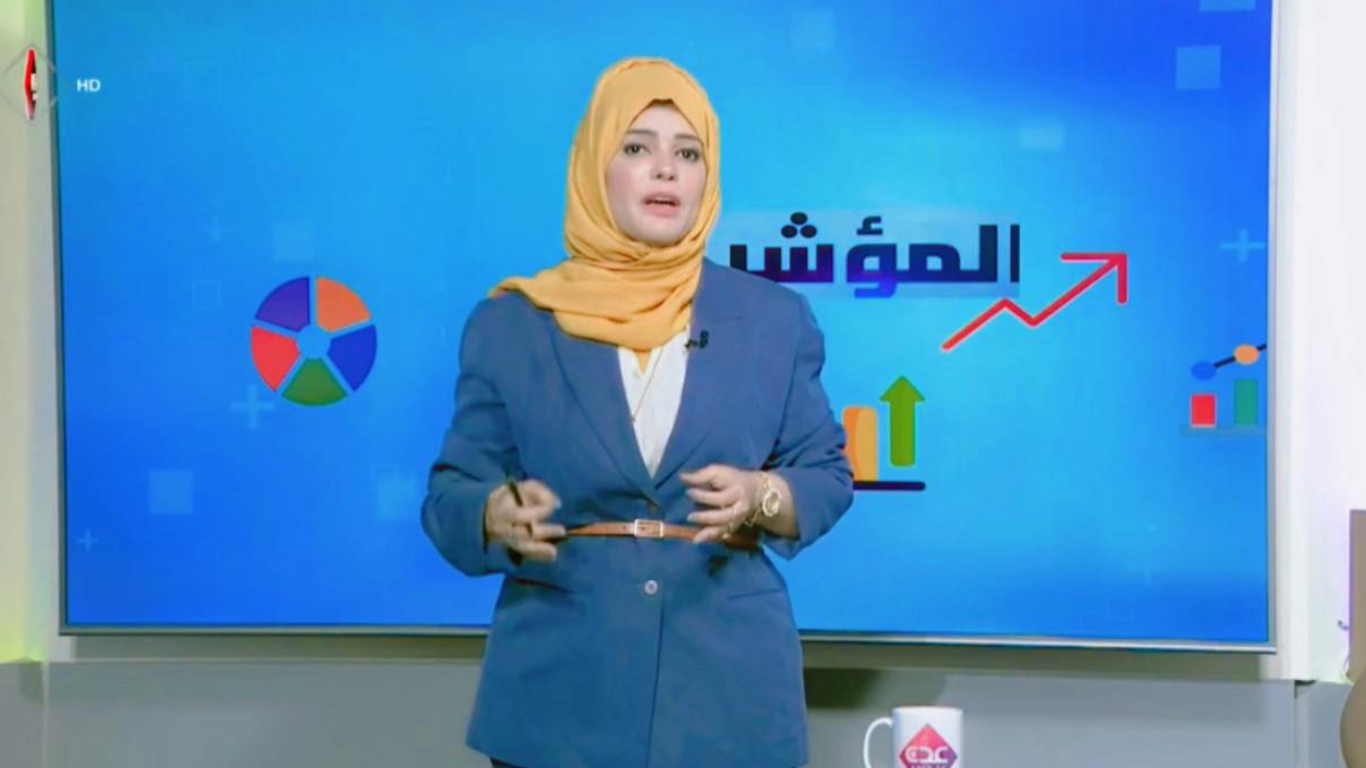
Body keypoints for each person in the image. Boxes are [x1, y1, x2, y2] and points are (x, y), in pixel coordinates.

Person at [421, 56, 854, 768]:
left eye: (688, 154)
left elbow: (827, 474)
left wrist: (761, 495)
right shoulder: (513, 325)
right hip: (559, 698)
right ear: (596, 166)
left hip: (728, 700)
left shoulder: (774, 319)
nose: (665, 170)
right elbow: (448, 497)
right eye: (636, 147)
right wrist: (492, 514)